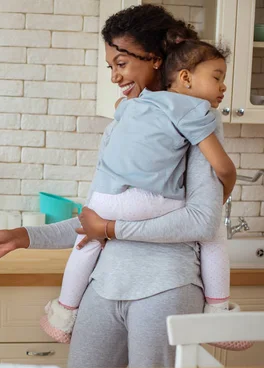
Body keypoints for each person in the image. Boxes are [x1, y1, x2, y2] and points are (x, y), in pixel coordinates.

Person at [0, 4, 228, 368]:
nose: (114, 77)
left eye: (121, 64)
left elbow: (202, 221)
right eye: (111, 66)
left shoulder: (196, 118)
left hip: (166, 288)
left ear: (155, 59)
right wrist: (19, 237)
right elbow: (95, 218)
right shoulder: (122, 121)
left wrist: (111, 229)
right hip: (103, 286)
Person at [40, 39, 236, 344]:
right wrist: (225, 190)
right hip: (149, 202)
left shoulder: (133, 102)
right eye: (217, 77)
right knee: (212, 235)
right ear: (185, 77)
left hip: (104, 200)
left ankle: (63, 313)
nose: (223, 87)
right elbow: (222, 168)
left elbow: (120, 110)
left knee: (85, 243)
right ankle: (219, 314)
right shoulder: (198, 111)